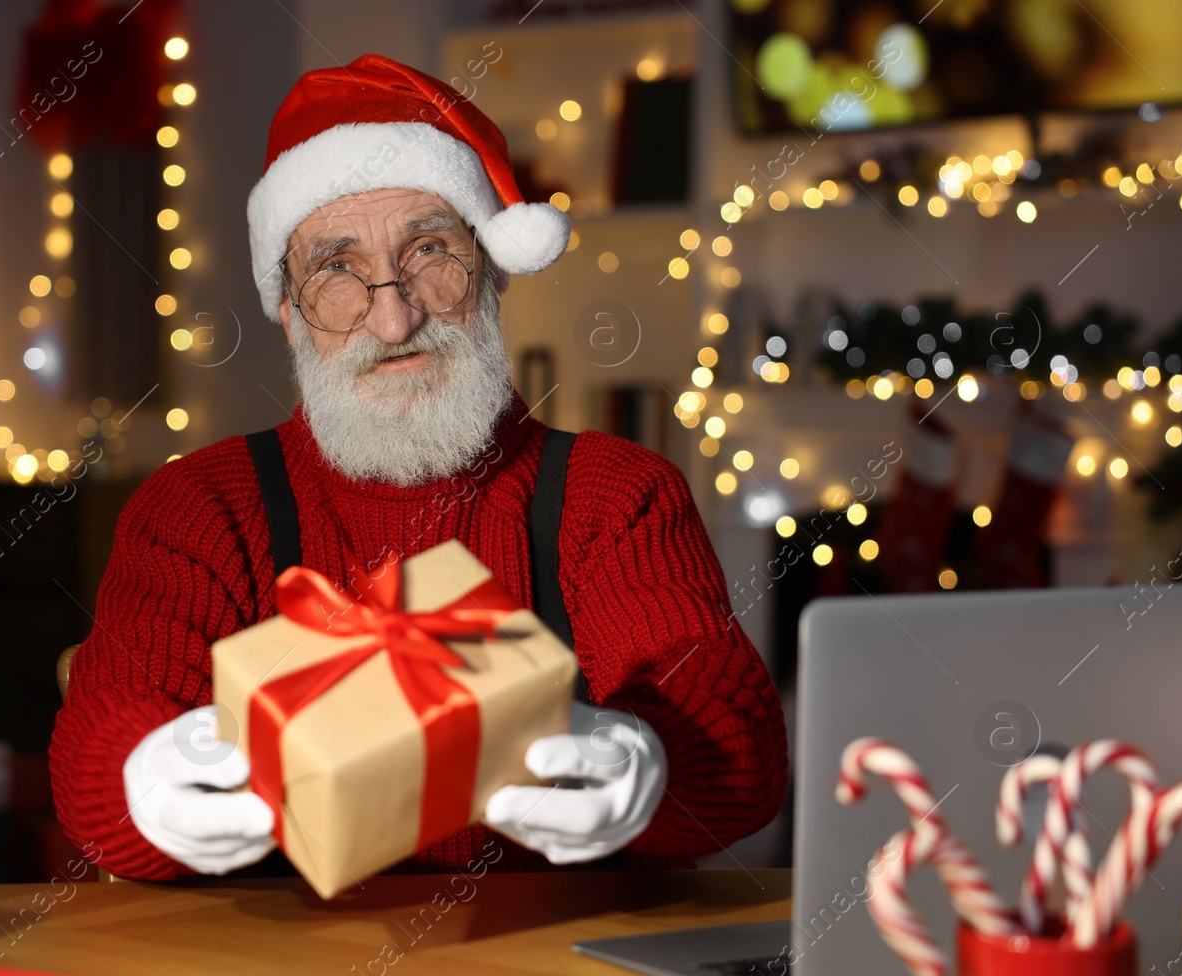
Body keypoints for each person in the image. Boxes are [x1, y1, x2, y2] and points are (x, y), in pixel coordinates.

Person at [49, 54, 787, 881]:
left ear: (491, 276)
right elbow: (96, 766)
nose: (394, 316)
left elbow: (744, 761)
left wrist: (656, 762)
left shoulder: (618, 497)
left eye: (430, 249)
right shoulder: (198, 508)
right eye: (337, 269)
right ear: (291, 318)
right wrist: (141, 781)